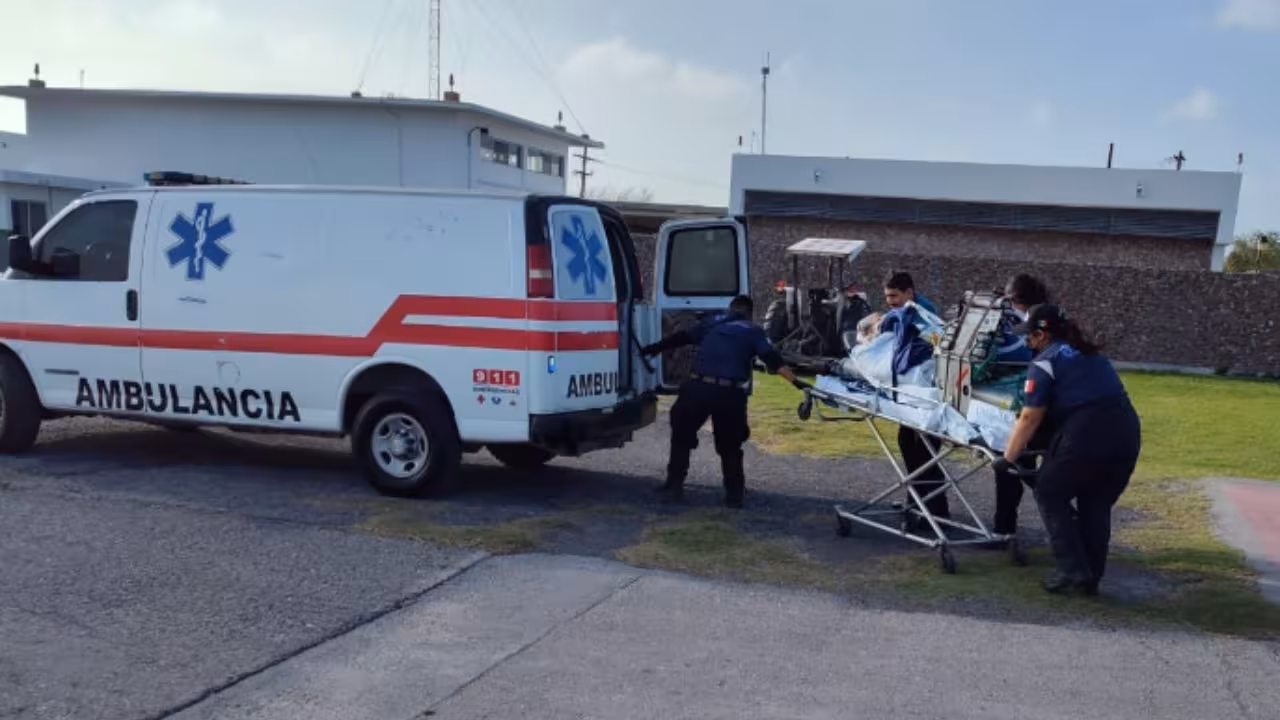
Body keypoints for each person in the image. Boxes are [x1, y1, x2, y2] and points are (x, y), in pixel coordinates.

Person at [997, 304, 1141, 595]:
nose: (1027, 342)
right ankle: (1090, 576)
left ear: (1042, 335)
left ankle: (1072, 570)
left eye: (1030, 336)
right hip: (1126, 432)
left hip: (1088, 434)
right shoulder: (1090, 353)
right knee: (1095, 503)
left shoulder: (1044, 363)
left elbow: (1029, 417)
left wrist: (1007, 459)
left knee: (1049, 491)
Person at [641, 294, 802, 509]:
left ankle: (673, 486)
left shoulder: (711, 323)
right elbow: (772, 360)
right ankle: (734, 496)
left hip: (699, 387)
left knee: (681, 435)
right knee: (730, 446)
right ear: (749, 313)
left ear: (730, 309)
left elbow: (680, 338)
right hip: (730, 393)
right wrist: (796, 382)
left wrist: (651, 349)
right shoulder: (753, 330)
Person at [880, 271, 950, 524]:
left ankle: (926, 508)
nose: (890, 301)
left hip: (926, 396)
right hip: (911, 395)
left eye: (894, 296)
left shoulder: (922, 314)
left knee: (923, 455)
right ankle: (925, 505)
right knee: (912, 448)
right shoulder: (906, 310)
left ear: (909, 292)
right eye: (887, 296)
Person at [990, 273, 1051, 538]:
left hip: (1035, 408)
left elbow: (1018, 353)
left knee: (1016, 466)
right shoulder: (1047, 320)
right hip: (1042, 407)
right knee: (1021, 468)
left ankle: (1005, 530)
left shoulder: (1033, 330)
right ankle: (1004, 528)